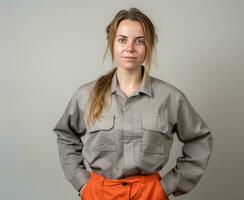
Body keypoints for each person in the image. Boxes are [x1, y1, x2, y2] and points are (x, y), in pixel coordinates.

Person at [53, 7, 213, 200]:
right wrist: (83, 184)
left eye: (139, 41)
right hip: (99, 194)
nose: (130, 48)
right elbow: (65, 135)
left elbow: (200, 139)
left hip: (149, 195)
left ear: (149, 46)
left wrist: (168, 186)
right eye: (122, 39)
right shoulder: (85, 95)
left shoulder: (170, 97)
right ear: (112, 42)